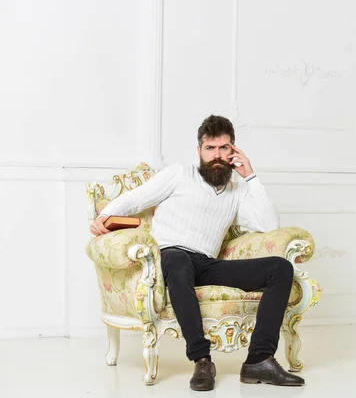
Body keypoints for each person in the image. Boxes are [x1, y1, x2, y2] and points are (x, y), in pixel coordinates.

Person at [90, 115, 304, 391]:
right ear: (199, 151)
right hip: (172, 256)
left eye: (224, 148)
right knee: (179, 262)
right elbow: (137, 198)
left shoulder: (236, 192)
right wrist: (104, 215)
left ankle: (259, 360)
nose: (216, 155)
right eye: (210, 148)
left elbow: (269, 225)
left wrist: (250, 176)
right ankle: (202, 359)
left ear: (233, 151)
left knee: (280, 268)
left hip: (207, 263)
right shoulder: (181, 174)